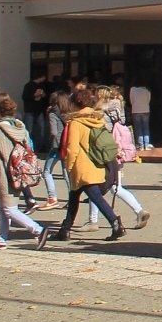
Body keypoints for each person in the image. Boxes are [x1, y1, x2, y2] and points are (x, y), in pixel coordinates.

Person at [44, 85, 124, 246]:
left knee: (95, 197)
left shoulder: (76, 122)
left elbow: (72, 148)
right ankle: (65, 229)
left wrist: (69, 165)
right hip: (96, 163)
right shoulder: (97, 119)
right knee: (74, 197)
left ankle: (116, 223)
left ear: (74, 104)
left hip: (81, 167)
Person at [0, 95, 46, 249]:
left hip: (6, 173)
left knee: (9, 208)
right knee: (4, 207)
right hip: (20, 172)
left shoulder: (0, 130)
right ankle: (1, 240)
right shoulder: (21, 128)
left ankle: (38, 230)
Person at [87, 86, 149, 231]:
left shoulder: (100, 112)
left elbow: (99, 134)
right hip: (118, 149)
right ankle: (139, 210)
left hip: (105, 152)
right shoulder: (117, 109)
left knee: (94, 186)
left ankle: (92, 221)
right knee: (116, 186)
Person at [128, 80, 153, 150]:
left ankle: (140, 145)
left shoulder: (132, 89)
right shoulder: (147, 90)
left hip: (136, 110)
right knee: (146, 128)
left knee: (138, 128)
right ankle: (147, 145)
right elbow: (148, 100)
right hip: (145, 110)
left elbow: (131, 101)